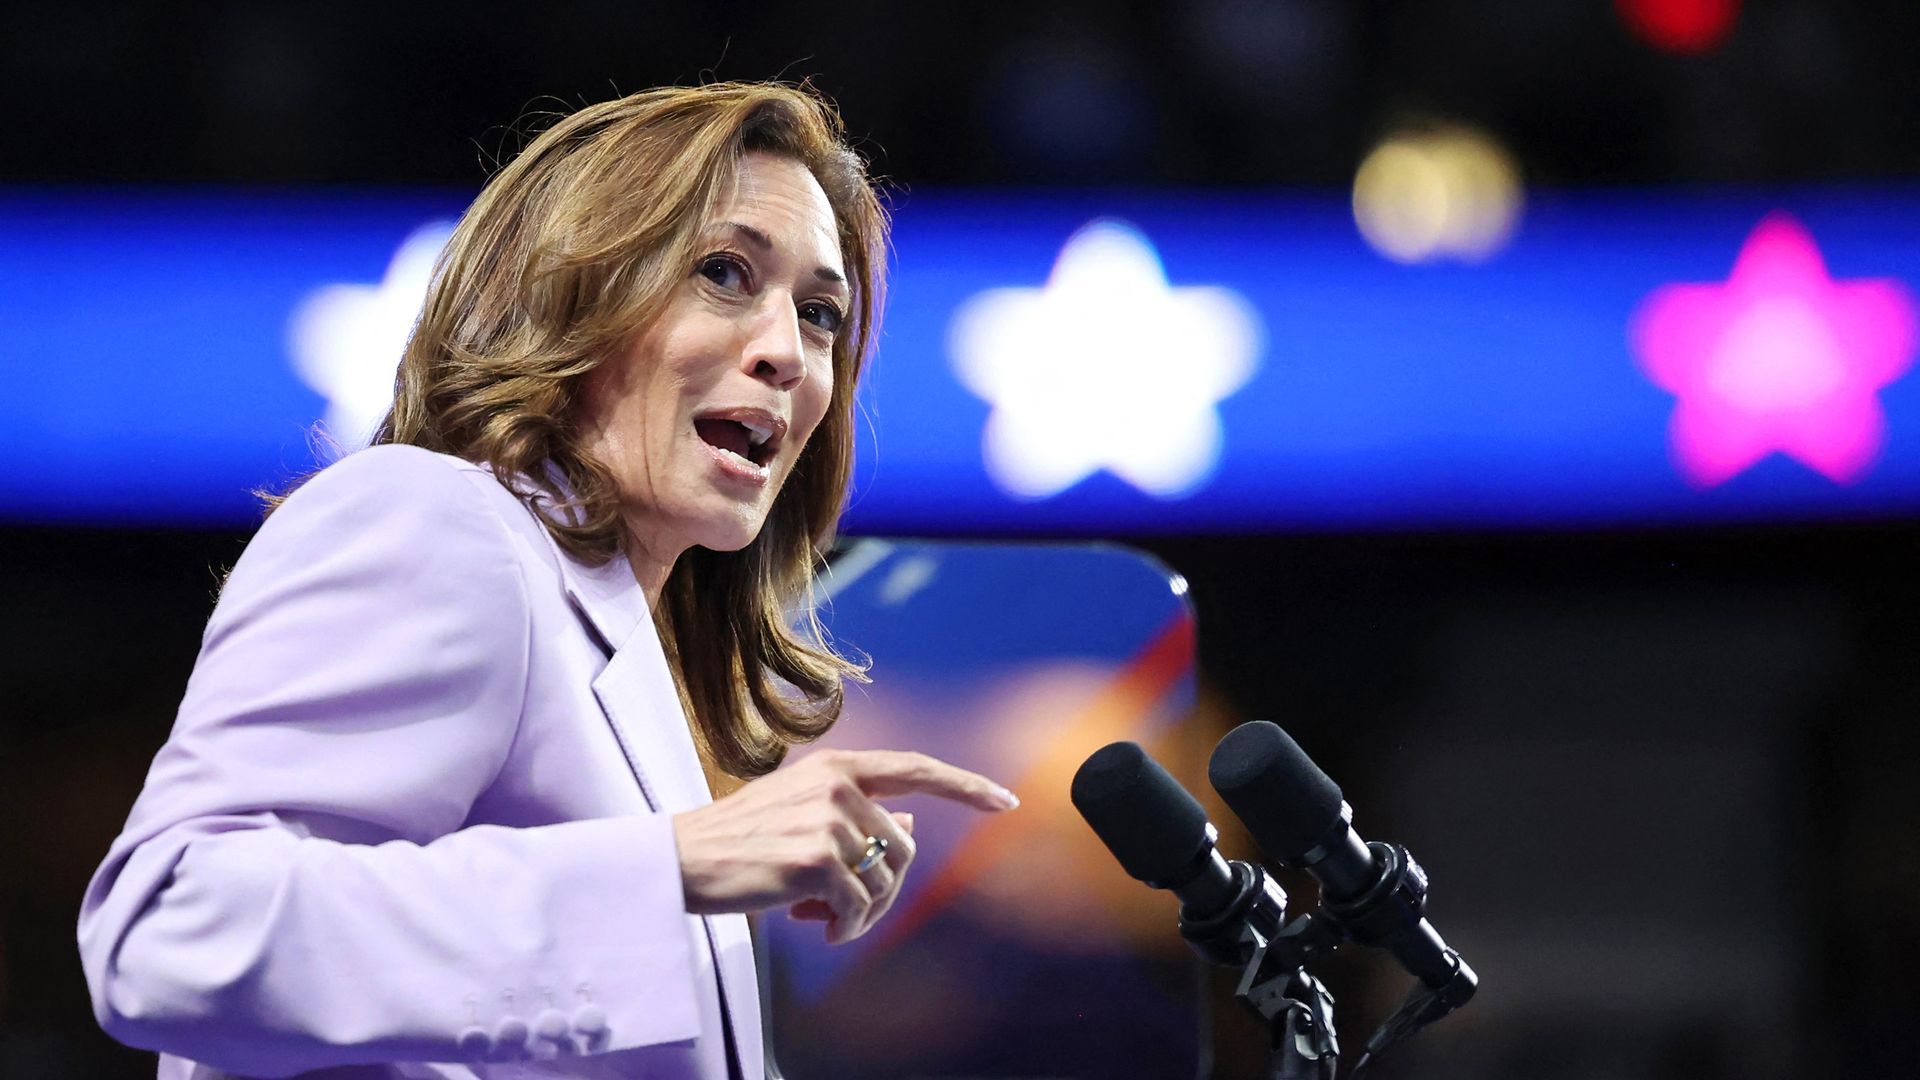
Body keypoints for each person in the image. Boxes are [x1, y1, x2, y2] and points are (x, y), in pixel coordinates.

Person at [76, 82, 1019, 1080]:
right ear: (571, 293)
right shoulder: (439, 521)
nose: (788, 351)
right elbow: (172, 929)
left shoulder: (632, 655)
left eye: (820, 313)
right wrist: (673, 866)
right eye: (725, 272)